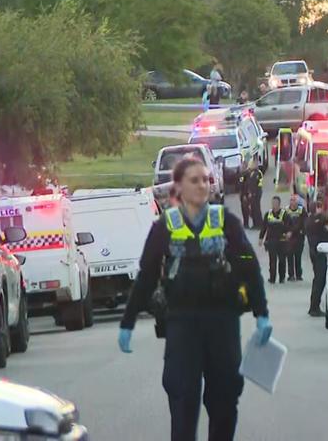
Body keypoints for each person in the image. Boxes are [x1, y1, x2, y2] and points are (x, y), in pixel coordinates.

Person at [117, 158, 272, 441]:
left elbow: (250, 268)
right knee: (183, 398)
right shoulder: (165, 226)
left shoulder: (226, 221)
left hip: (222, 324)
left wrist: (262, 314)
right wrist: (127, 322)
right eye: (195, 180)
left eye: (206, 179)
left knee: (225, 398)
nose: (203, 185)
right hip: (182, 325)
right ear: (179, 187)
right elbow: (147, 275)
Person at [306, 199, 328, 316]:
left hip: (320, 252)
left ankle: (315, 305)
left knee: (320, 279)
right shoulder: (312, 221)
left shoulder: (316, 221)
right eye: (319, 207)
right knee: (319, 279)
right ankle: (314, 307)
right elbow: (321, 222)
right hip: (317, 253)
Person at [258, 195, 288, 284]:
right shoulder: (268, 214)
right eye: (273, 203)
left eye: (275, 203)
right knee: (272, 260)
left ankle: (282, 277)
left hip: (281, 240)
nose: (274, 205)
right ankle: (272, 278)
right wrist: (261, 238)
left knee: (282, 260)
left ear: (279, 204)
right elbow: (264, 227)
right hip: (271, 241)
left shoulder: (284, 214)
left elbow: (289, 226)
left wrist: (288, 233)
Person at [284, 194, 307, 281]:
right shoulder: (286, 211)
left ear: (297, 202)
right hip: (289, 238)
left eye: (294, 200)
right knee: (289, 256)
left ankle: (298, 275)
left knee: (298, 257)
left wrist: (303, 232)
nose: (292, 202)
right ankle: (291, 275)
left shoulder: (301, 211)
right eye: (291, 200)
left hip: (299, 237)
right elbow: (284, 223)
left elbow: (304, 223)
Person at [246, 159, 264, 228]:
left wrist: (253, 193)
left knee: (256, 208)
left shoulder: (258, 173)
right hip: (252, 193)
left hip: (256, 193)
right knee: (253, 209)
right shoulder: (250, 173)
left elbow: (257, 184)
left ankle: (259, 223)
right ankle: (255, 223)